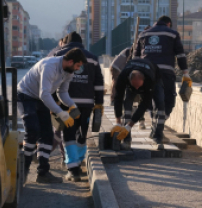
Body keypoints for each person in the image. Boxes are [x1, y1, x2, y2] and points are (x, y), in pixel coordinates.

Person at [17, 48, 86, 183]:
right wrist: (61, 113)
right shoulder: (49, 66)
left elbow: (62, 92)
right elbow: (44, 94)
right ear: (71, 61)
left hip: (40, 98)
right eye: (77, 65)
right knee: (33, 131)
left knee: (47, 135)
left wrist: (72, 106)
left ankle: (43, 173)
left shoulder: (68, 72)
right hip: (25, 95)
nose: (78, 69)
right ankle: (23, 169)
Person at [133, 16, 192, 145]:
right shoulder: (172, 33)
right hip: (165, 73)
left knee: (150, 100)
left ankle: (156, 129)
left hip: (146, 73)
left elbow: (136, 56)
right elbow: (180, 55)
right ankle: (158, 132)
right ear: (169, 23)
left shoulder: (143, 34)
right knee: (168, 102)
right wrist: (185, 73)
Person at [54, 31, 104, 182]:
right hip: (86, 103)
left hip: (65, 102)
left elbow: (51, 79)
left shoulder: (59, 55)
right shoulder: (93, 58)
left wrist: (54, 101)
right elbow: (98, 83)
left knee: (68, 134)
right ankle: (78, 160)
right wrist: (99, 103)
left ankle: (73, 169)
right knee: (82, 133)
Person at [111, 58, 162, 150]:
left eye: (139, 86)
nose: (137, 89)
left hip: (155, 74)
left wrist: (129, 126)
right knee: (127, 104)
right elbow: (118, 98)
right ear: (129, 80)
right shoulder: (123, 76)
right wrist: (118, 122)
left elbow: (144, 104)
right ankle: (126, 140)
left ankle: (157, 137)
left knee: (160, 102)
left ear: (144, 80)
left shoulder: (150, 79)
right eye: (135, 86)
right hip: (132, 71)